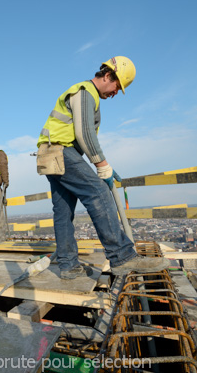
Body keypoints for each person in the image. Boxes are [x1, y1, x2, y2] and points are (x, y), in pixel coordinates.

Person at [37, 56, 169, 279]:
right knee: (99, 193)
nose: (116, 92)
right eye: (117, 86)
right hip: (61, 152)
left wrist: (99, 164)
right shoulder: (85, 92)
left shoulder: (84, 94)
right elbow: (85, 133)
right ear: (108, 76)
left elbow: (79, 138)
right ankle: (122, 257)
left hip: (50, 154)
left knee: (63, 210)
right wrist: (102, 165)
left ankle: (68, 266)